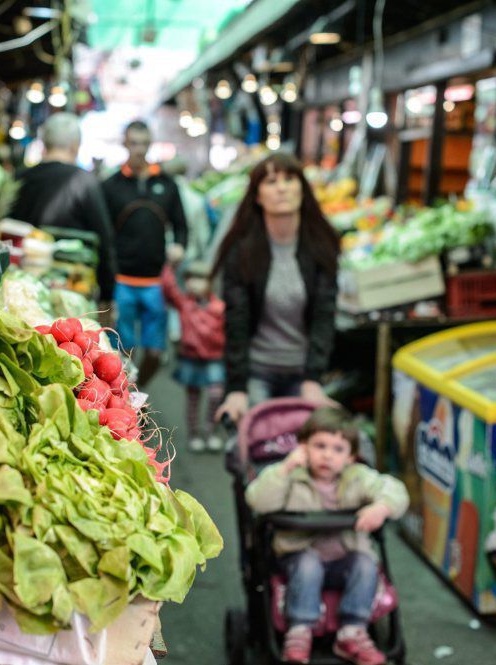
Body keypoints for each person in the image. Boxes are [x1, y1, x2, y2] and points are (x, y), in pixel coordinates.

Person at [245, 408, 409, 665]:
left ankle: (352, 630)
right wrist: (285, 468)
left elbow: (393, 489)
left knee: (366, 564)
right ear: (303, 448)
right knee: (309, 563)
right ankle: (300, 629)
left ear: (351, 457)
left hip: (343, 560)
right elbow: (258, 500)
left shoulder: (358, 478)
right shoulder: (290, 478)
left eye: (337, 449)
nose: (327, 455)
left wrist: (382, 507)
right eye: (319, 446)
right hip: (297, 559)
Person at [213, 152, 339, 423]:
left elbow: (324, 317)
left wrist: (313, 379)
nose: (281, 187)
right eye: (271, 181)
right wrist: (236, 388)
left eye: (289, 179)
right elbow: (236, 322)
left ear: (302, 190)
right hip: (257, 371)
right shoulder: (242, 252)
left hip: (304, 372)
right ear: (257, 196)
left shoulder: (321, 249)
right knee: (255, 447)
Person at [102, 120, 188, 386]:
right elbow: (102, 232)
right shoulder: (111, 185)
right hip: (122, 281)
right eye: (134, 143)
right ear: (125, 144)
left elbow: (182, 225)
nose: (139, 149)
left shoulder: (167, 184)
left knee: (155, 352)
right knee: (123, 352)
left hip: (156, 281)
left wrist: (180, 246)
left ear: (150, 145)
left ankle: (139, 392)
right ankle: (126, 398)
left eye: (143, 143)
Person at [10, 113, 117, 309]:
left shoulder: (22, 177)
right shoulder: (84, 182)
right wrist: (108, 293)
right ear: (76, 145)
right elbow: (104, 239)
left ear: (44, 143)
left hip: (20, 285)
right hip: (70, 292)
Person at [161, 258, 225, 453]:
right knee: (193, 397)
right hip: (191, 356)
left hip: (215, 356)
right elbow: (168, 289)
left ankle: (210, 430)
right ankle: (194, 433)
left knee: (216, 393)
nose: (195, 283)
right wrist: (170, 267)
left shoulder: (220, 307)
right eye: (191, 279)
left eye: (201, 279)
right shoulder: (184, 304)